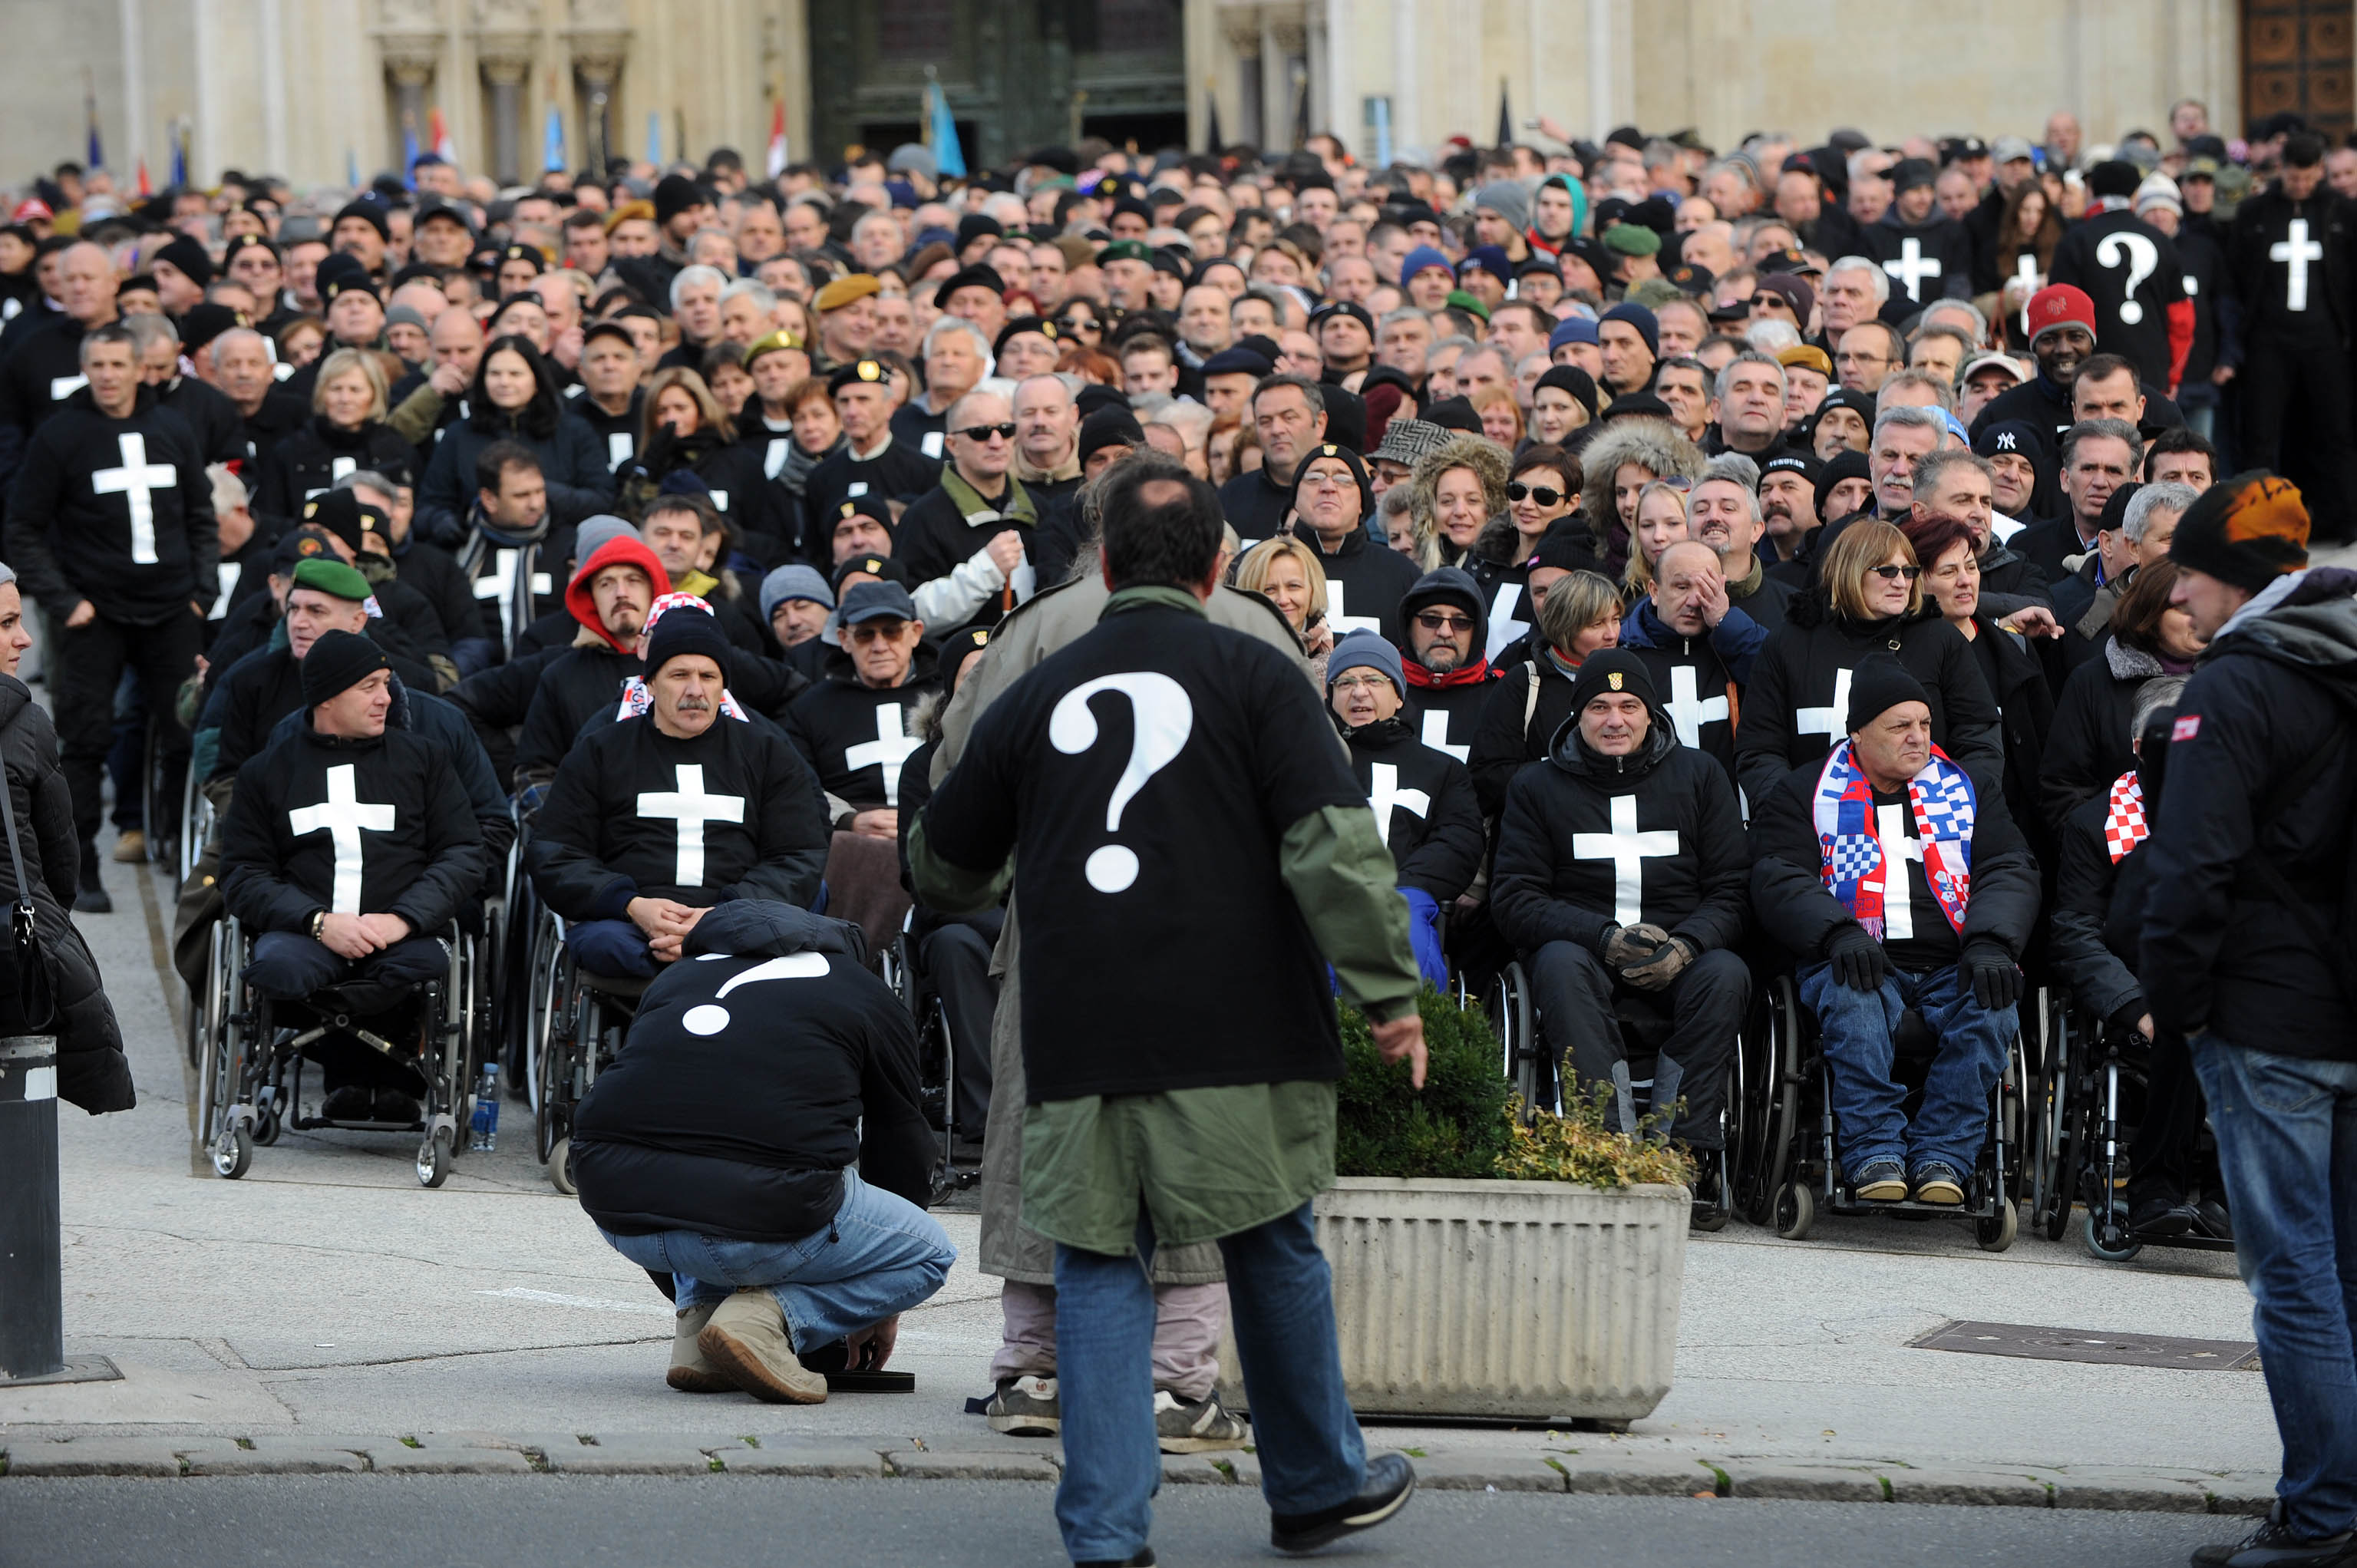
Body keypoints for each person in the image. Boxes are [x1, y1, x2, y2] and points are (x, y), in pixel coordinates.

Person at [909, 458, 1422, 1566]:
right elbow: (1330, 845)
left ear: (1099, 562)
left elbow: (941, 866)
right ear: (1211, 566)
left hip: (1079, 1018)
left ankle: (1103, 1530)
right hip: (1240, 1019)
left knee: (1096, 1259)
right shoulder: (1259, 667)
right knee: (1272, 1240)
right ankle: (1314, 1484)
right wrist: (1385, 991)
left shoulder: (1033, 674)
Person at [2137, 474, 2357, 1568]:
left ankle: (2319, 1515)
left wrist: (2173, 1007)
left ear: (2231, 573)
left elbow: (2189, 868)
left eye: (2185, 568)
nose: (2175, 590)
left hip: (2267, 1018)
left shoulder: (2231, 686)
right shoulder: (2344, 655)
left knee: (2292, 1276)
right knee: (2346, 1272)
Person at [572, 900, 956, 1404]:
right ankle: (766, 1319)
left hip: (622, 1213)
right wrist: (870, 1297)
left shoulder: (677, 977)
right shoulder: (865, 991)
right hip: (762, 1224)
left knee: (693, 1148)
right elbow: (900, 1142)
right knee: (929, 1253)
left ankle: (698, 1328)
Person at [1750, 654, 2038, 1207]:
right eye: (1899, 726)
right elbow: (1777, 875)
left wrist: (1989, 939)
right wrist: (1837, 932)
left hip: (1951, 959)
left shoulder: (1968, 789)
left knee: (1994, 1002)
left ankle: (1943, 1156)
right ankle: (1873, 1151)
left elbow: (2009, 868)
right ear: (1857, 731)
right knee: (1852, 998)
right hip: (1855, 958)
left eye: (1924, 724)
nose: (1918, 738)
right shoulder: (1805, 792)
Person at [1489, 650, 1750, 1220]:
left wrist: (1686, 945)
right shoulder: (1537, 784)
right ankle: (1606, 1143)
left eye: (1629, 705)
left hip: (1678, 955)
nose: (1615, 720)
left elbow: (1732, 888)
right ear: (1577, 715)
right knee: (1556, 962)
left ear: (1651, 714)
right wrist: (1601, 935)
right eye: (1599, 707)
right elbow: (1513, 898)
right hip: (1584, 955)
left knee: (1726, 972)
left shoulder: (1700, 775)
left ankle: (1679, 1149)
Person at [217, 631, 487, 1122]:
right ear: (327, 695)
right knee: (278, 968)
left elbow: (464, 852)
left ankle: (409, 1090)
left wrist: (403, 919)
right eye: (369, 686)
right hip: (305, 936)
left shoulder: (424, 760)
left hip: (401, 938)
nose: (387, 698)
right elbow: (242, 874)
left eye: (386, 683)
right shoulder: (266, 772)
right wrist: (319, 922)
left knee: (420, 968)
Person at [5, 321, 215, 909]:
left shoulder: (171, 427)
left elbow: (201, 514)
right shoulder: (61, 434)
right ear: (86, 367)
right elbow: (23, 527)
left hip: (173, 605)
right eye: (97, 365)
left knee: (182, 733)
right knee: (84, 738)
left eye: (118, 364)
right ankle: (81, 868)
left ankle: (177, 849)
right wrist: (64, 599)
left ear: (140, 366)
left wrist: (201, 590)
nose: (108, 375)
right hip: (92, 614)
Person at [527, 602, 830, 978]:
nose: (695, 690)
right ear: (650, 682)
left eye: (708, 675)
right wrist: (632, 905)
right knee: (604, 945)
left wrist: (721, 917)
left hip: (739, 917)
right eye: (679, 674)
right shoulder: (600, 751)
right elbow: (556, 853)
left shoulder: (768, 751)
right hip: (630, 926)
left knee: (784, 937)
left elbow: (798, 853)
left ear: (724, 684)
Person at [2049, 678, 2218, 1238]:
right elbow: (2075, 933)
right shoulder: (2094, 824)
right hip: (2136, 989)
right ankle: (2155, 1190)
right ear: (2141, 748)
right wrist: (2133, 1004)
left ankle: (2226, 1197)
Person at [1733, 517, 2003, 811]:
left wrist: (1953, 809)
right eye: (1887, 571)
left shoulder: (1940, 640)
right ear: (1851, 570)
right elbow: (1760, 749)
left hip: (1927, 828)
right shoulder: (1790, 642)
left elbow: (1980, 741)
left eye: (1909, 571)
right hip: (1808, 828)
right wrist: (1794, 812)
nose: (1901, 582)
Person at [0, 563, 133, 1111]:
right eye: (8, 622)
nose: (25, 637)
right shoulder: (26, 727)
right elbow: (60, 866)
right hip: (11, 955)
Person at [1327, 632, 1482, 990]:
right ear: (1331, 697)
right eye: (1345, 682)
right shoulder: (1310, 762)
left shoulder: (1441, 770)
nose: (1359, 692)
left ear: (1398, 695)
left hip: (1406, 894)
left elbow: (1459, 842)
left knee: (1408, 947)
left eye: (1372, 680)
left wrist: (1401, 885)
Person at [2040, 558, 2200, 832]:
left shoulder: (2232, 678)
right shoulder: (2093, 682)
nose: (2199, 616)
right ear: (2150, 614)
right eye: (2183, 608)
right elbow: (2064, 788)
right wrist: (2106, 847)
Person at [414, 335, 614, 547]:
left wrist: (539, 494)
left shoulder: (574, 431)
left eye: (515, 374)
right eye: (495, 374)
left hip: (557, 551)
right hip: (476, 550)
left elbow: (602, 500)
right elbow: (429, 505)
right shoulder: (458, 434)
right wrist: (442, 522)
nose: (504, 382)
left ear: (536, 380)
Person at [785, 581, 938, 837]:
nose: (879, 646)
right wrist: (847, 820)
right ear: (844, 639)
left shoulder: (948, 696)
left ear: (915, 633)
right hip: (851, 845)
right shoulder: (811, 708)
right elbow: (794, 783)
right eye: (865, 635)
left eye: (892, 632)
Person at [1467, 568, 1623, 817]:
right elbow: (1488, 776)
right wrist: (1569, 776)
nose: (1611, 634)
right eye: (1597, 624)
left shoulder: (1629, 678)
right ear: (1565, 627)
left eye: (1615, 619)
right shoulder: (1523, 683)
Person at [893, 388, 1040, 639]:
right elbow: (908, 614)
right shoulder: (922, 518)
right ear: (952, 444)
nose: (996, 442)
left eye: (1006, 430)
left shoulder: (1039, 508)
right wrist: (986, 571)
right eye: (980, 433)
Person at [1616, 540, 1758, 781]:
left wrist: (1727, 624)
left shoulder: (1736, 646)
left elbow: (1778, 674)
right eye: (1681, 587)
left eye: (1705, 589)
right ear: (1654, 591)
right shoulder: (1623, 657)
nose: (1694, 601)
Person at [252, 347, 418, 530]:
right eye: (336, 389)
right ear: (322, 393)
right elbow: (269, 516)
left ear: (373, 394)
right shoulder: (290, 451)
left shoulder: (396, 449)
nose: (345, 399)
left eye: (355, 390)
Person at [1283, 441, 1419, 643]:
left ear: (1361, 502)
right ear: (1295, 500)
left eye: (1343, 479)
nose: (1328, 487)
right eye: (1314, 478)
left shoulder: (1403, 574)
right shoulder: (1261, 566)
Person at [1393, 566, 1497, 764]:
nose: (1445, 632)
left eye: (1461, 622)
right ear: (1408, 627)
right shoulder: (1380, 691)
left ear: (1477, 632)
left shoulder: (1502, 696)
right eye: (1431, 619)